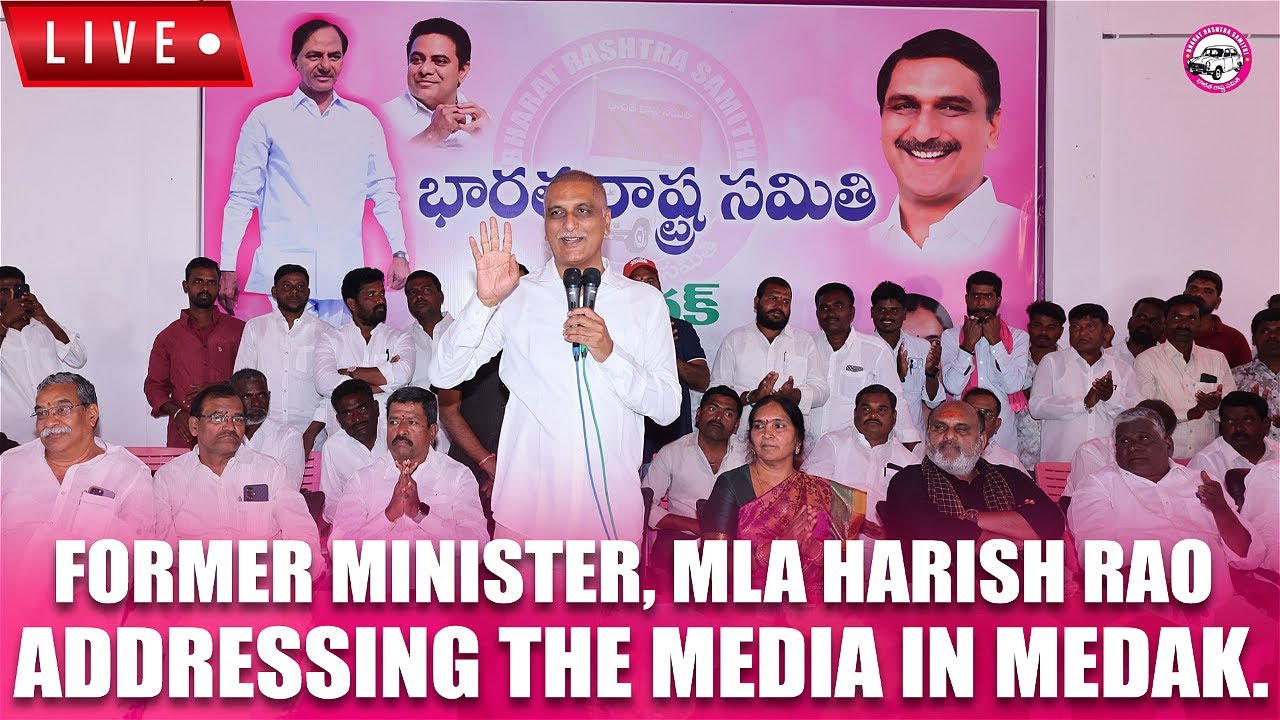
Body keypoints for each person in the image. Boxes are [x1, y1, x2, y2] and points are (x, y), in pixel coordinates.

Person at [429, 170, 680, 541]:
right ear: (545, 226)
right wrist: (483, 303)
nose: (570, 224)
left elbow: (668, 407)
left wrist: (609, 354)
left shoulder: (643, 301)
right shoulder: (517, 295)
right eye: (556, 213)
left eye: (583, 210)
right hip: (526, 514)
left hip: (610, 517)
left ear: (607, 221)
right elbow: (444, 374)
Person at [219, 19, 409, 319]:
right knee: (288, 363)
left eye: (334, 56)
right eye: (313, 56)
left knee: (340, 364)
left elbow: (384, 191)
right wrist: (227, 265)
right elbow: (243, 195)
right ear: (295, 59)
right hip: (285, 271)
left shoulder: (363, 121)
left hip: (343, 271)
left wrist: (399, 252)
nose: (325, 65)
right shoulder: (267, 118)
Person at [1067, 406, 1261, 609]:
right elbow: (1098, 559)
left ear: (1168, 445)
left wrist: (1221, 510)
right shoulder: (1098, 486)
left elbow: (1248, 557)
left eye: (1143, 438)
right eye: (1123, 441)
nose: (1132, 447)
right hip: (1142, 606)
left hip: (1219, 607)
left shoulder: (1203, 481)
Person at [872, 29, 1023, 255]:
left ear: (993, 126)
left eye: (951, 108)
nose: (924, 133)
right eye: (904, 106)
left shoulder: (1025, 238)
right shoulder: (860, 246)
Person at [153, 384, 323, 578]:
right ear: (194, 426)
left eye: (237, 418)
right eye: (217, 418)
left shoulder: (271, 471)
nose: (229, 426)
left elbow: (300, 529)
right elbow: (162, 550)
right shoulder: (168, 479)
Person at [702, 395, 862, 596]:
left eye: (778, 426)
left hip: (811, 604)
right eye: (759, 426)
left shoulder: (821, 493)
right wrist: (779, 547)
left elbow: (846, 571)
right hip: (747, 604)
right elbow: (713, 564)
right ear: (751, 440)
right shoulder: (732, 484)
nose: (767, 433)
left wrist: (811, 548)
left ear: (798, 440)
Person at [0, 373, 156, 561]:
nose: (49, 422)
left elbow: (139, 556)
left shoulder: (129, 473)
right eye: (42, 413)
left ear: (91, 414)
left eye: (63, 409)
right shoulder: (9, 464)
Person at [883, 400, 1063, 543]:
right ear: (928, 435)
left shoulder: (1012, 478)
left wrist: (973, 519)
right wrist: (1016, 534)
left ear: (982, 440)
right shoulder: (908, 480)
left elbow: (1052, 522)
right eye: (940, 427)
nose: (949, 435)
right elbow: (932, 534)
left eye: (962, 429)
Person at [329, 386, 488, 543]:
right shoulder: (362, 479)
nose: (401, 431)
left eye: (412, 422)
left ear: (432, 432)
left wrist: (420, 514)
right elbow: (337, 547)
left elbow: (478, 546)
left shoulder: (457, 476)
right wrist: (389, 515)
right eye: (394, 422)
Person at [438, 264, 530, 503]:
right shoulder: (466, 342)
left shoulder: (542, 345)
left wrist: (507, 470)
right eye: (504, 290)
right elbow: (448, 412)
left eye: (518, 291)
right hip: (467, 469)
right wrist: (489, 464)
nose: (510, 298)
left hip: (525, 473)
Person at [641, 386, 747, 571]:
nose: (718, 417)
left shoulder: (749, 455)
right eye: (712, 409)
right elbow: (644, 506)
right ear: (698, 414)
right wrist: (693, 525)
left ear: (737, 425)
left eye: (728, 414)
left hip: (735, 540)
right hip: (683, 538)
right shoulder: (672, 452)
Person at [145, 257, 245, 448]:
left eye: (211, 282)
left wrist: (217, 388)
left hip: (230, 430)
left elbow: (250, 381)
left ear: (219, 286)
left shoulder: (240, 331)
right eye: (198, 281)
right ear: (186, 285)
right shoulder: (168, 337)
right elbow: (154, 387)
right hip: (184, 432)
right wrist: (177, 414)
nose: (205, 288)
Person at [710, 276, 829, 435]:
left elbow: (822, 390)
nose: (779, 306)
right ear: (756, 302)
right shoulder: (735, 340)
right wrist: (752, 397)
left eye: (786, 302)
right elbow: (716, 392)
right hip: (742, 439)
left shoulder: (804, 340)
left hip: (789, 440)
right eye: (773, 298)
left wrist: (795, 395)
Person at [1029, 303, 1143, 463]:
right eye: (1075, 326)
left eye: (1090, 326)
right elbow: (1036, 407)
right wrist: (1083, 403)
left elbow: (1137, 416)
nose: (1082, 332)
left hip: (1107, 464)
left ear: (1106, 331)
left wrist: (1110, 398)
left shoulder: (1122, 369)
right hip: (1062, 462)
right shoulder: (1052, 362)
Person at [233, 264, 328, 453]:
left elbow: (331, 391)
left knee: (309, 483)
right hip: (263, 436)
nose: (294, 291)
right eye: (286, 286)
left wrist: (310, 433)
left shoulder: (326, 333)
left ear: (308, 292)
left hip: (310, 437)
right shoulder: (255, 328)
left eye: (301, 286)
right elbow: (240, 383)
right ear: (274, 292)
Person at [624, 257, 709, 461]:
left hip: (675, 440)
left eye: (650, 282)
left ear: (660, 286)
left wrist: (666, 348)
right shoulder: (618, 331)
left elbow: (702, 380)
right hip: (632, 443)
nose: (646, 288)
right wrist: (649, 343)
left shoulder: (682, 328)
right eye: (637, 283)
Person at [809, 282, 916, 444]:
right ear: (817, 313)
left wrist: (908, 442)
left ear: (851, 312)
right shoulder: (806, 345)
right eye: (824, 308)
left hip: (854, 450)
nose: (831, 313)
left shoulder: (875, 349)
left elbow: (895, 398)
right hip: (808, 448)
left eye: (838, 306)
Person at [1134, 294, 1236, 458]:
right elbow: (1148, 412)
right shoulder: (1147, 360)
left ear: (1200, 323)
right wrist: (1190, 413)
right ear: (1164, 321)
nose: (1183, 324)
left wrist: (1215, 406)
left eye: (1191, 318)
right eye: (1176, 317)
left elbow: (1231, 410)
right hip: (1164, 456)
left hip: (1207, 456)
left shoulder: (1216, 359)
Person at [803, 384, 918, 530]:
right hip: (834, 538)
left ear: (894, 417)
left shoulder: (909, 461)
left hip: (885, 545)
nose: (873, 415)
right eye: (866, 409)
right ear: (855, 414)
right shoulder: (833, 443)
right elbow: (812, 492)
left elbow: (911, 514)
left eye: (882, 410)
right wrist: (851, 521)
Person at [940, 270, 1029, 453]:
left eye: (987, 296)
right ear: (967, 299)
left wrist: (996, 342)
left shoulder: (1018, 337)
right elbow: (953, 387)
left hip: (1002, 435)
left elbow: (1013, 385)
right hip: (962, 430)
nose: (981, 303)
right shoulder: (951, 336)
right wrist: (967, 345)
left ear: (998, 300)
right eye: (975, 296)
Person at [0, 266, 88, 443]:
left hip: (55, 424)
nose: (11, 296)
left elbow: (78, 359)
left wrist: (45, 318)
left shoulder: (45, 327)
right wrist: (4, 323)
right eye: (3, 290)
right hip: (10, 431)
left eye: (16, 289)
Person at [314, 267, 416, 416]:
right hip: (343, 434)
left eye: (382, 293)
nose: (380, 300)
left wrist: (350, 372)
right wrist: (385, 384)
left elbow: (403, 375)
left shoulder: (400, 338)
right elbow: (324, 383)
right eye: (371, 294)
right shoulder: (330, 339)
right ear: (352, 304)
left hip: (388, 430)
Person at [382, 18, 488, 148]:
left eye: (440, 61)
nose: (424, 70)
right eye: (417, 60)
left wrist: (489, 143)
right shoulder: (378, 119)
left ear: (462, 71)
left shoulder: (484, 123)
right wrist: (431, 136)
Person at [1060, 399, 1177, 511]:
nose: (1136, 445)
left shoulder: (1166, 460)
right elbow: (1087, 497)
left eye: (1145, 437)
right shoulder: (1092, 451)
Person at [869, 281, 944, 437]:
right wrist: (896, 376)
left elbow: (934, 402)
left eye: (894, 310)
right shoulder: (862, 348)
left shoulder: (922, 348)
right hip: (874, 440)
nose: (887, 316)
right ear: (872, 312)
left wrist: (931, 373)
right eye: (881, 310)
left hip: (912, 440)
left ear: (903, 314)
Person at [319, 379, 387, 523]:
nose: (357, 419)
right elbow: (330, 503)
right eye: (347, 414)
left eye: (362, 408)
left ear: (376, 408)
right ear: (339, 420)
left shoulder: (396, 437)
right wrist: (356, 519)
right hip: (357, 529)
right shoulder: (333, 448)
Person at [230, 368, 306, 489]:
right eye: (247, 397)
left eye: (261, 395)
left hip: (274, 507)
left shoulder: (289, 437)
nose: (256, 403)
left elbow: (288, 487)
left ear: (269, 397)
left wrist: (239, 494)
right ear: (232, 400)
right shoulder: (223, 435)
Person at [1188, 391, 1279, 479]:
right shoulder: (1207, 461)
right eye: (1230, 421)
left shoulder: (1277, 451)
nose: (1238, 428)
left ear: (1265, 424)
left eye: (1247, 420)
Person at [1018, 300, 1066, 469]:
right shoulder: (1015, 363)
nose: (1044, 332)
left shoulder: (1071, 365)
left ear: (1061, 331)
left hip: (1058, 455)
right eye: (1038, 325)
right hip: (1018, 456)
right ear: (1029, 327)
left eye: (1051, 327)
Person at [1184, 270, 1252, 368]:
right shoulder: (1165, 332)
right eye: (1193, 289)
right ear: (1183, 294)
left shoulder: (1234, 339)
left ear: (1217, 302)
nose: (1198, 294)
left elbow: (1245, 379)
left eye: (1207, 291)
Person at [1233, 308, 1280, 441]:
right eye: (1265, 331)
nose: (1272, 336)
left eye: (1279, 330)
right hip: (1249, 458)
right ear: (1254, 339)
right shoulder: (1235, 377)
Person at [960, 388, 1029, 475]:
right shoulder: (944, 453)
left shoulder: (1009, 463)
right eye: (971, 411)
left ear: (997, 425)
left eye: (986, 414)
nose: (978, 419)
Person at [1108, 297, 1165, 365]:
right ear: (1130, 321)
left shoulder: (1169, 361)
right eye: (1142, 317)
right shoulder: (1106, 357)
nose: (1146, 323)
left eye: (1154, 321)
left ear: (1163, 328)